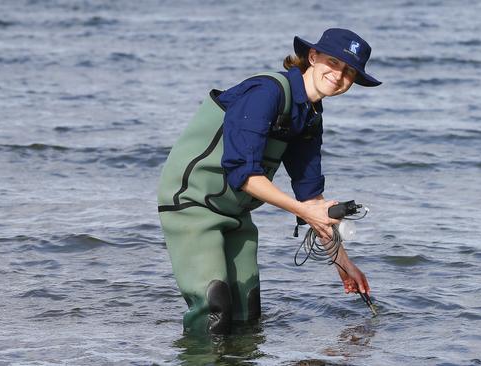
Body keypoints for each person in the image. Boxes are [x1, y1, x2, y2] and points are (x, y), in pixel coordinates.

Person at [158, 28, 381, 335]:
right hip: (192, 204)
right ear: (313, 58)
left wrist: (345, 265)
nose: (339, 75)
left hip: (235, 214)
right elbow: (244, 175)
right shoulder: (266, 92)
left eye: (349, 72)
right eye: (334, 62)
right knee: (215, 309)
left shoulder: (310, 117)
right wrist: (305, 212)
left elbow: (312, 202)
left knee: (248, 313)